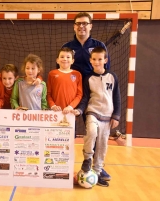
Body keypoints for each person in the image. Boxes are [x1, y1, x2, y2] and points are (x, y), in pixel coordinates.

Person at [61, 12, 111, 180]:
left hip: (93, 95)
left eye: (85, 23)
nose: (81, 26)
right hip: (72, 95)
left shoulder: (98, 45)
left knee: (94, 132)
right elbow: (61, 70)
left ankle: (96, 167)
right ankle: (62, 166)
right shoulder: (67, 46)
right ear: (74, 26)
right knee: (67, 131)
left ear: (91, 26)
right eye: (78, 23)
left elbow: (106, 71)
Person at [73, 47, 121, 187]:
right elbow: (85, 98)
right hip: (92, 112)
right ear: (90, 60)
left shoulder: (112, 77)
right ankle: (87, 159)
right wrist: (80, 110)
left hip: (107, 116)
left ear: (105, 60)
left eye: (100, 59)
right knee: (92, 133)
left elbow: (116, 97)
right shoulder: (88, 78)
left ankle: (97, 172)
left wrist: (116, 116)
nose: (97, 62)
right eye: (94, 59)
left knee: (102, 145)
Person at [47, 47, 82, 114]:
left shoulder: (77, 74)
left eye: (68, 57)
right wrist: (53, 106)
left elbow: (79, 94)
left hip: (71, 112)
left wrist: (70, 107)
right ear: (57, 60)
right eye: (62, 57)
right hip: (55, 112)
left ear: (72, 61)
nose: (65, 59)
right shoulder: (52, 74)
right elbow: (48, 94)